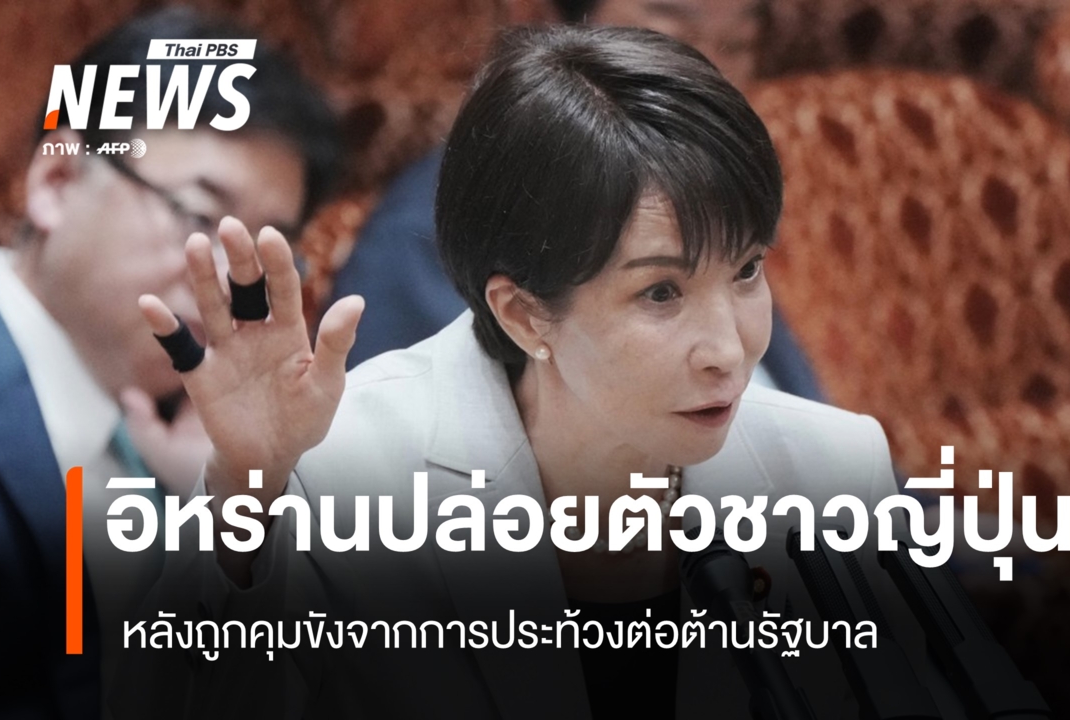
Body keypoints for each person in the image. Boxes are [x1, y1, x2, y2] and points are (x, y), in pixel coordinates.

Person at [123, 25, 924, 719]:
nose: (728, 347)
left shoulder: (833, 470)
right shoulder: (341, 468)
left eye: (746, 270)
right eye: (661, 292)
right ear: (523, 314)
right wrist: (246, 495)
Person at [0, 8, 339, 718]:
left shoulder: (210, 455)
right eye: (199, 217)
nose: (233, 280)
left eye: (265, 250)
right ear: (57, 180)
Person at [330, 0, 824, 402]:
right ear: (567, 28)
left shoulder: (712, 193)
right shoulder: (429, 231)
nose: (708, 69)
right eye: (673, 31)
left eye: (737, 44)